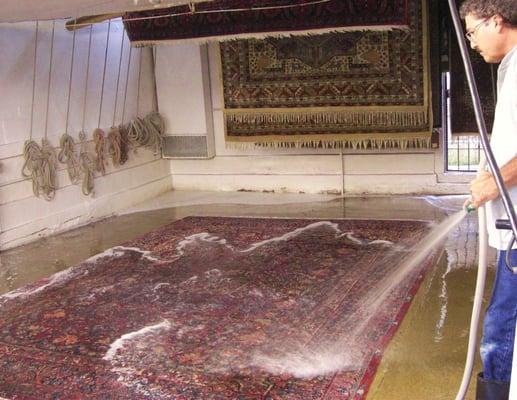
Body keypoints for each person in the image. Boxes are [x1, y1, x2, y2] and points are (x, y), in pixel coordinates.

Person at [460, 0, 517, 398]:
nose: (471, 41)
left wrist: (496, 183)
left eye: (472, 30)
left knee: (501, 328)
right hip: (511, 222)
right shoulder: (509, 68)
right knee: (501, 321)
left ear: (497, 21)